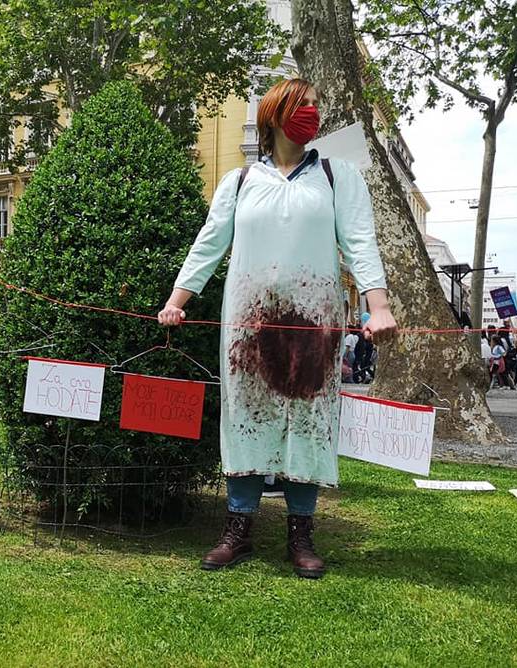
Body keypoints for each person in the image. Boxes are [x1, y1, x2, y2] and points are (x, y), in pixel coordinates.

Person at [158, 78, 397, 579]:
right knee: (245, 417)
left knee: (309, 419)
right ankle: (238, 528)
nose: (312, 112)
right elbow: (209, 244)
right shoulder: (239, 182)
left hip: (315, 324)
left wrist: (378, 306)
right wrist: (176, 302)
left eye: (315, 105)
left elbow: (361, 242)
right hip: (248, 325)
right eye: (301, 105)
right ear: (275, 115)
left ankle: (301, 534)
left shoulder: (337, 176)